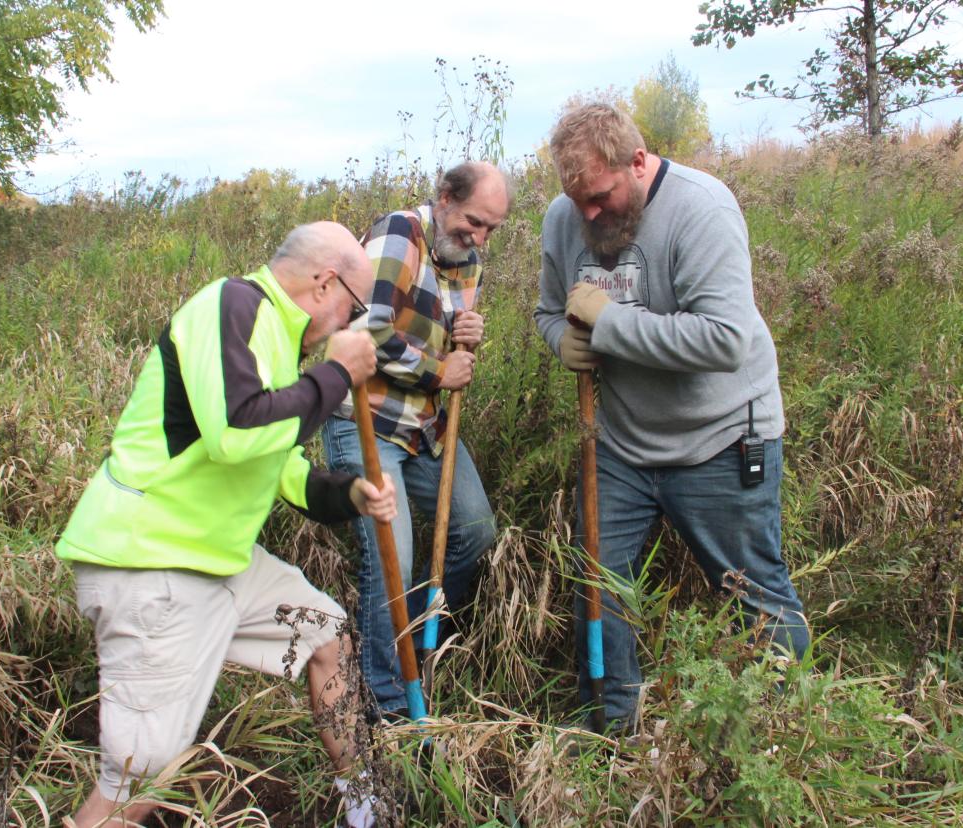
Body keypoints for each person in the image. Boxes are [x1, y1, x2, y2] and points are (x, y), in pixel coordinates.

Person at [55, 221, 398, 827]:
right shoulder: (232, 304)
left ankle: (368, 809)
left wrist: (350, 494)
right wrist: (337, 373)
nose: (351, 322)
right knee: (139, 777)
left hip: (218, 561)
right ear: (325, 282)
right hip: (152, 562)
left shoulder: (281, 342)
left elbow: (283, 468)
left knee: (327, 637)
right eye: (353, 305)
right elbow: (237, 430)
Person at [534, 103, 810, 732]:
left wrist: (608, 323)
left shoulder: (700, 209)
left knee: (755, 595)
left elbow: (723, 340)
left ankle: (781, 738)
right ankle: (611, 734)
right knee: (600, 589)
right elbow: (551, 311)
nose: (589, 215)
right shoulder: (564, 218)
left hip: (722, 438)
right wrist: (562, 340)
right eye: (577, 201)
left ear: (638, 161)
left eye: (600, 197)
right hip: (622, 444)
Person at [322, 161, 511, 719]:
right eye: (475, 222)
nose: (479, 239)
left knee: (476, 531)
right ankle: (389, 705)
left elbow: (449, 338)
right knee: (392, 563)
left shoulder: (466, 257)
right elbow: (365, 330)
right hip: (369, 425)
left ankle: (420, 645)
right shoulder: (399, 233)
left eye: (490, 230)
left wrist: (467, 336)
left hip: (426, 430)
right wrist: (437, 372)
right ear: (446, 197)